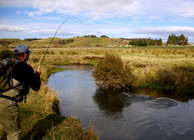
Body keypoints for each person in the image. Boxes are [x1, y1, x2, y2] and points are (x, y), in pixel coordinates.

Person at [0, 45, 41, 140]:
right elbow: (36, 87)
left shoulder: (6, 62)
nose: (28, 56)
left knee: (2, 126)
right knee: (13, 132)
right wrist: (37, 76)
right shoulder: (25, 68)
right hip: (7, 104)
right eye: (28, 54)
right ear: (25, 55)